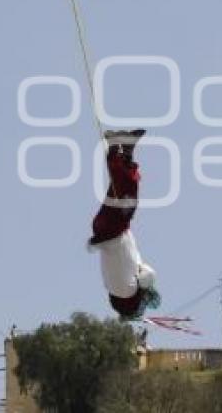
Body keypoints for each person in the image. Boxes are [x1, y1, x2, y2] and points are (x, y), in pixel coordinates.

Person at [89, 129, 160, 320]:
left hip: (114, 229)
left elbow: (149, 275)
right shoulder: (114, 288)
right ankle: (126, 151)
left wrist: (144, 278)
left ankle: (116, 147)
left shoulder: (128, 289)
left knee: (126, 191)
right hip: (108, 229)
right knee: (122, 190)